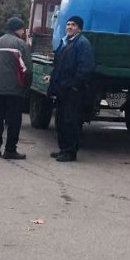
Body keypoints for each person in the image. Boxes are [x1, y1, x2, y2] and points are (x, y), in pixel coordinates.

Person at [45, 15, 94, 162]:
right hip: (62, 90)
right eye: (68, 24)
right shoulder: (65, 42)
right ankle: (63, 149)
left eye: (73, 25)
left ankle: (70, 152)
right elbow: (59, 64)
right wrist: (53, 79)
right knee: (61, 121)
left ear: (79, 28)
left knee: (71, 121)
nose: (69, 27)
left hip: (73, 92)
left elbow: (85, 68)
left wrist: (74, 86)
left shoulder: (82, 44)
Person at [0, 18, 32, 159]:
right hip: (15, 89)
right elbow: (27, 69)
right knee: (14, 120)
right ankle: (10, 150)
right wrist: (26, 86)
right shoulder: (20, 44)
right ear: (18, 29)